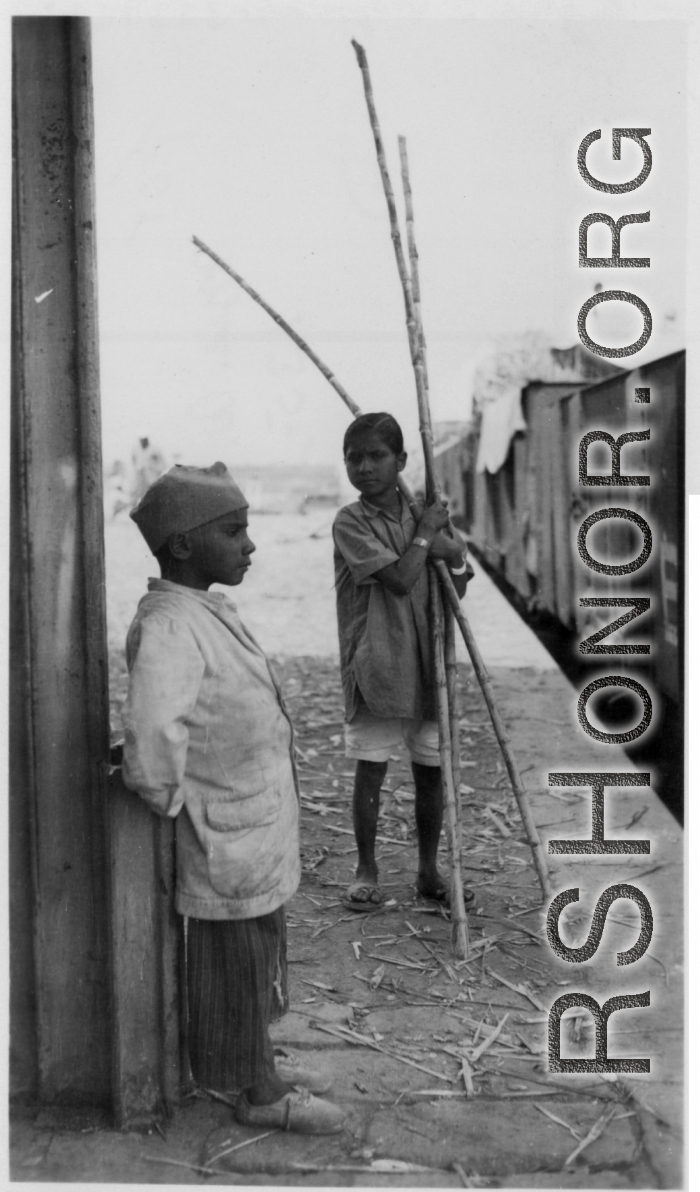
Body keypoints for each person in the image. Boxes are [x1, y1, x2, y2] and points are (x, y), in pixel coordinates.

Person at [122, 462, 345, 1134]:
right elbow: (155, 731)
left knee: (260, 947)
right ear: (185, 545)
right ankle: (259, 1092)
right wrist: (163, 802)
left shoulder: (202, 607)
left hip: (249, 821)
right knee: (236, 961)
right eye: (234, 531)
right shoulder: (169, 625)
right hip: (223, 829)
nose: (249, 545)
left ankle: (254, 1058)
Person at [332, 413, 473, 912]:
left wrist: (449, 551)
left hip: (428, 660)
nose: (364, 467)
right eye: (354, 458)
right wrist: (425, 537)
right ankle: (366, 868)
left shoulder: (423, 511)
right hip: (379, 662)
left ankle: (428, 871)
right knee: (370, 768)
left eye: (376, 456)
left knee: (430, 770)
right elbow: (397, 579)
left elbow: (457, 581)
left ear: (401, 461)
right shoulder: (351, 521)